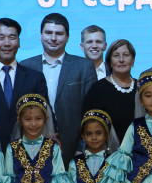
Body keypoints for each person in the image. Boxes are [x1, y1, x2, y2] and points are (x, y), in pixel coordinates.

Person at [20, 12, 98, 162]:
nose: (53, 38)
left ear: (67, 37)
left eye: (59, 34)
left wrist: (82, 148)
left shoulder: (84, 67)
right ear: (41, 35)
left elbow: (91, 112)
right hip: (31, 145)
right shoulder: (25, 66)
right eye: (48, 33)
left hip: (73, 149)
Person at [82, 40, 138, 142]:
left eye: (126, 55)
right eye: (116, 56)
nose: (121, 60)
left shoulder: (142, 88)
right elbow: (88, 126)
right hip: (106, 149)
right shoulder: (98, 89)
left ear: (133, 60)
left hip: (141, 149)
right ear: (109, 62)